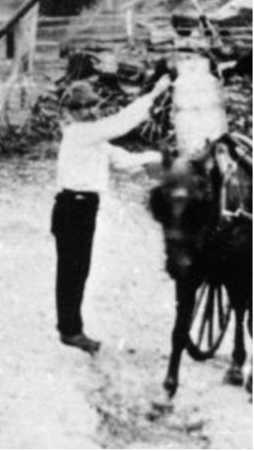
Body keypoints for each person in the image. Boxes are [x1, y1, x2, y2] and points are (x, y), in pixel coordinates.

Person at [51, 75, 171, 354]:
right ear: (72, 111)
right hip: (73, 208)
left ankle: (71, 328)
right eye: (82, 106)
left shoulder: (93, 138)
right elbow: (122, 123)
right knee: (72, 271)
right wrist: (154, 93)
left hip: (82, 208)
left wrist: (158, 158)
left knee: (78, 271)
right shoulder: (80, 132)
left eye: (93, 104)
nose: (90, 110)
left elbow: (123, 160)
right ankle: (70, 331)